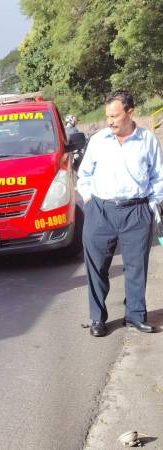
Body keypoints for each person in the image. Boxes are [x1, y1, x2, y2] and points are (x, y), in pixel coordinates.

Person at [77, 91, 163, 337]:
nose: (110, 121)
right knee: (97, 267)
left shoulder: (147, 141)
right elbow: (85, 174)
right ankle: (97, 318)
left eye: (115, 116)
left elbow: (158, 176)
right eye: (107, 117)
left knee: (136, 267)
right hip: (101, 211)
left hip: (136, 212)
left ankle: (135, 316)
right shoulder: (99, 140)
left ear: (130, 113)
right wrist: (90, 201)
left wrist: (151, 205)